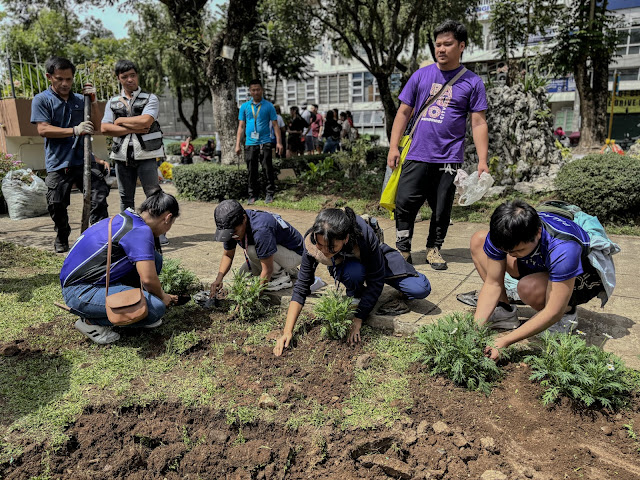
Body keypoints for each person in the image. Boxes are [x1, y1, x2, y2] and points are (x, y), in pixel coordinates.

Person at [387, 20, 489, 271]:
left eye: (448, 44)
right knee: (405, 202)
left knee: (442, 207)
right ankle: (403, 248)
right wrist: (393, 147)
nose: (441, 49)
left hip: (449, 156)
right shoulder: (421, 76)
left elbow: (478, 123)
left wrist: (483, 160)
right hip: (417, 152)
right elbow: (403, 112)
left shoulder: (473, 82)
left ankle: (434, 248)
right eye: (438, 44)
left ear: (461, 46)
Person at [274, 207, 431, 356]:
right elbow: (302, 286)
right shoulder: (314, 240)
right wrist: (287, 331)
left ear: (346, 238)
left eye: (331, 247)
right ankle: (357, 291)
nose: (324, 251)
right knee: (354, 273)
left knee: (419, 288)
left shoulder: (365, 236)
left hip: (373, 255)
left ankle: (392, 280)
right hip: (347, 263)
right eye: (321, 245)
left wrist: (358, 318)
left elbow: (376, 281)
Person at [470, 200, 606, 361]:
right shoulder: (502, 235)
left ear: (538, 233)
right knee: (479, 240)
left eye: (518, 250)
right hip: (542, 261)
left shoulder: (563, 247)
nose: (511, 254)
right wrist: (475, 330)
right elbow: (493, 283)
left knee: (529, 288)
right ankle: (504, 311)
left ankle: (567, 313)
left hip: (583, 278)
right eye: (506, 251)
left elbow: (552, 311)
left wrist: (505, 340)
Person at [60, 187, 181, 345]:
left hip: (82, 284)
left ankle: (133, 305)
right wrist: (162, 296)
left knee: (154, 258)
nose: (168, 229)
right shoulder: (140, 231)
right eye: (171, 223)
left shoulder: (128, 218)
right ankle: (90, 322)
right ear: (167, 218)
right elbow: (149, 279)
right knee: (155, 309)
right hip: (80, 292)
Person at [30, 56, 101, 253]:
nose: (65, 84)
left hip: (84, 159)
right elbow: (43, 129)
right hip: (59, 162)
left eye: (69, 79)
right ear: (49, 77)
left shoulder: (81, 100)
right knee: (56, 203)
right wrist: (74, 130)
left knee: (99, 197)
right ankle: (62, 233)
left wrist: (93, 102)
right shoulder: (42, 100)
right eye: (60, 79)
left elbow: (98, 126)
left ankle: (94, 239)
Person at [101, 59, 169, 246]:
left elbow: (146, 121)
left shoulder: (150, 98)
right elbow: (105, 128)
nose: (130, 79)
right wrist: (131, 127)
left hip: (146, 155)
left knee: (153, 195)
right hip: (122, 156)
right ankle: (127, 232)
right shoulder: (113, 101)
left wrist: (120, 121)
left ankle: (159, 232)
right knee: (125, 197)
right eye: (125, 77)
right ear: (119, 79)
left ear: (137, 75)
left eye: (133, 75)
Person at [211, 200, 303, 296]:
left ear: (244, 219)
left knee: (252, 251)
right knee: (241, 277)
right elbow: (228, 254)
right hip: (277, 252)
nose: (233, 236)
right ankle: (287, 269)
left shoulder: (261, 229)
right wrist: (219, 278)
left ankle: (281, 277)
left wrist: (253, 295)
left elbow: (267, 269)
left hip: (295, 254)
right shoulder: (230, 226)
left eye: (235, 232)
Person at [236, 79, 283, 205]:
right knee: (252, 170)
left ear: (261, 90)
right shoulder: (245, 107)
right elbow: (241, 126)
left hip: (265, 142)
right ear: (250, 91)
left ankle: (269, 193)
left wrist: (279, 142)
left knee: (268, 169)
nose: (256, 92)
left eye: (258, 89)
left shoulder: (268, 106)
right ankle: (252, 195)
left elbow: (275, 125)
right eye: (253, 90)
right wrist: (237, 145)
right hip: (250, 143)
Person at [90, 154, 111, 225]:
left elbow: (88, 152)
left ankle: (100, 227)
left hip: (86, 166)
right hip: (60, 165)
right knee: (56, 203)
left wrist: (102, 162)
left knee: (98, 198)